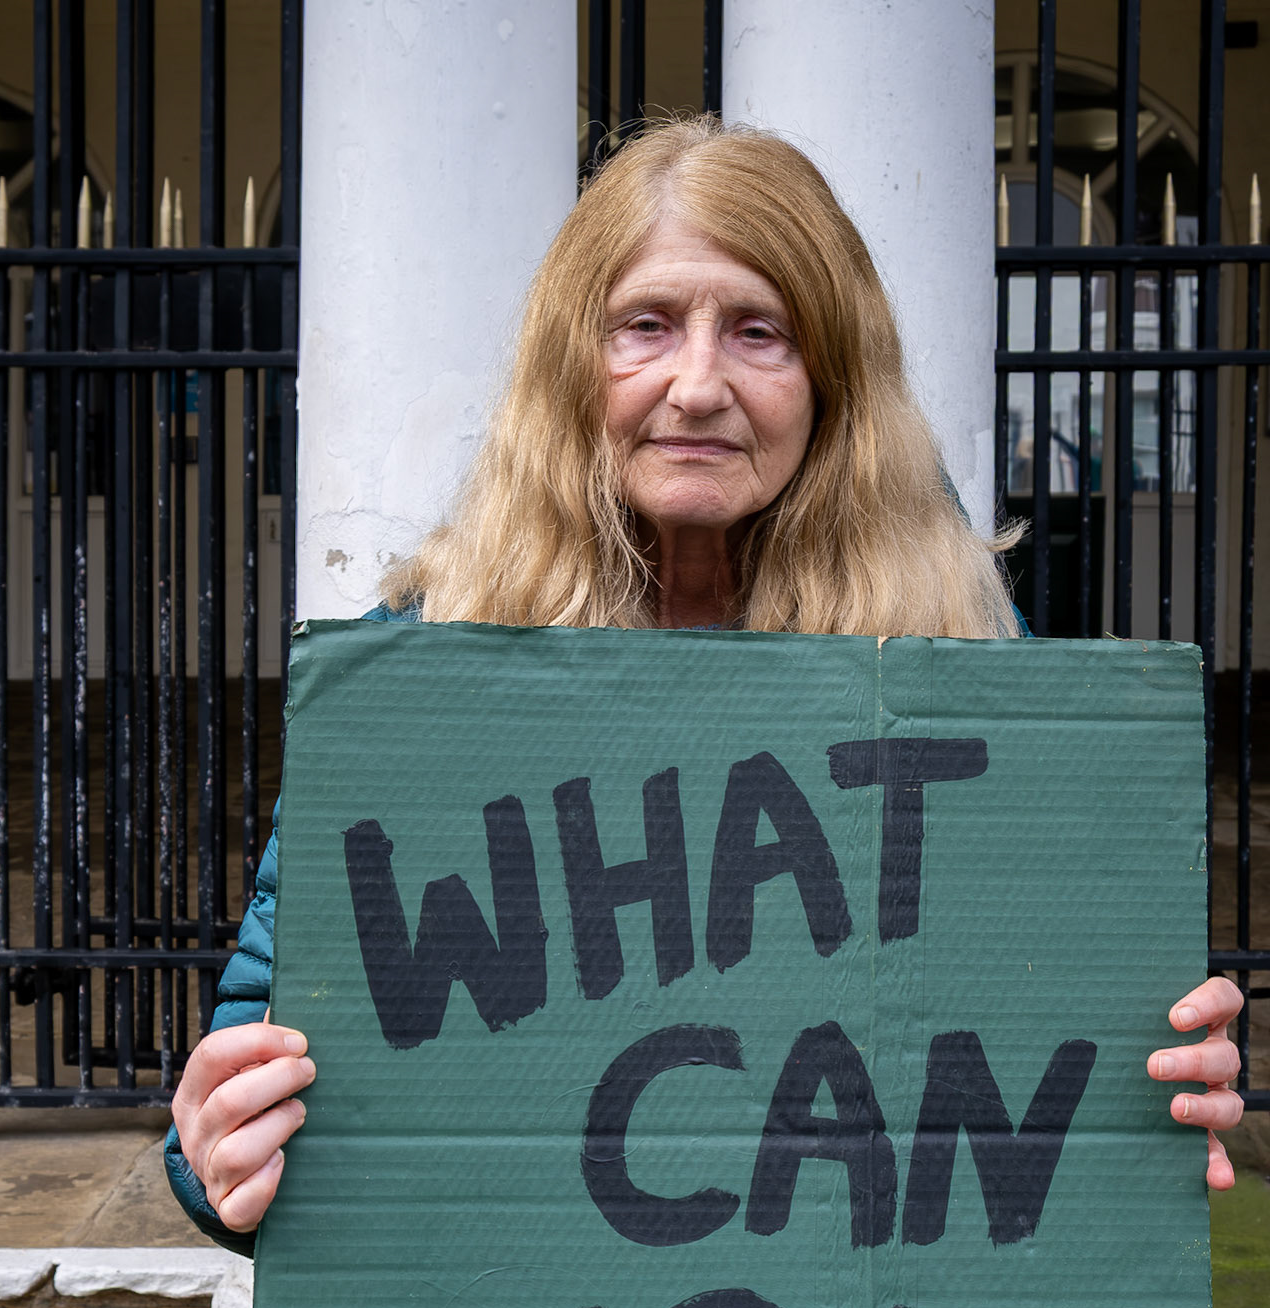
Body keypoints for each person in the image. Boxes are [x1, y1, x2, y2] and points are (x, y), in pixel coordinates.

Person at [165, 117, 1244, 1251]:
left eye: (759, 332)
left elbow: (1048, 1001)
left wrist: (1166, 1071)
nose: (696, 386)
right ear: (573, 364)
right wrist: (215, 1149)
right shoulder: (419, 670)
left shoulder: (964, 651)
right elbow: (274, 1042)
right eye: (645, 325)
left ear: (832, 378)